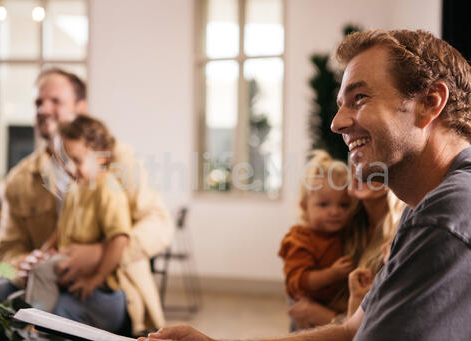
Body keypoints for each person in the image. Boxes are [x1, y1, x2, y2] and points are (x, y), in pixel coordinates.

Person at [142, 29, 471, 340]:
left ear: (430, 103)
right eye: (342, 103)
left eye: (359, 98)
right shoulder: (424, 207)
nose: (337, 123)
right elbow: (351, 331)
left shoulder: (445, 216)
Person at [0, 68, 172, 335]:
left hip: (108, 290)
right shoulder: (19, 178)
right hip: (42, 280)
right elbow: (7, 250)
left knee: (45, 322)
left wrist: (98, 254)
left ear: (81, 107)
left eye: (55, 101)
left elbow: (160, 224)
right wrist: (24, 262)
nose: (43, 109)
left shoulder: (118, 161)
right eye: (38, 102)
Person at [26, 115, 131, 315]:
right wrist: (45, 250)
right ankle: (32, 315)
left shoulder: (108, 189)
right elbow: (61, 229)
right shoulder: (74, 188)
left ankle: (33, 324)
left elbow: (119, 239)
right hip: (68, 271)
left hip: (101, 289)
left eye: (76, 160)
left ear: (101, 156)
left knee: (42, 272)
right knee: (39, 269)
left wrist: (96, 279)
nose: (69, 168)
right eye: (65, 160)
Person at [288, 177, 405, 329]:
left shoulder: (397, 236)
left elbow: (383, 323)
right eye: (354, 159)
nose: (359, 171)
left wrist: (328, 317)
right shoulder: (345, 221)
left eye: (374, 164)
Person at [278, 150, 357, 323]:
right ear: (304, 207)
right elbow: (298, 281)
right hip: (307, 310)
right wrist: (332, 274)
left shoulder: (347, 234)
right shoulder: (299, 239)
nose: (335, 212)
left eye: (344, 205)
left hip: (333, 308)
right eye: (323, 204)